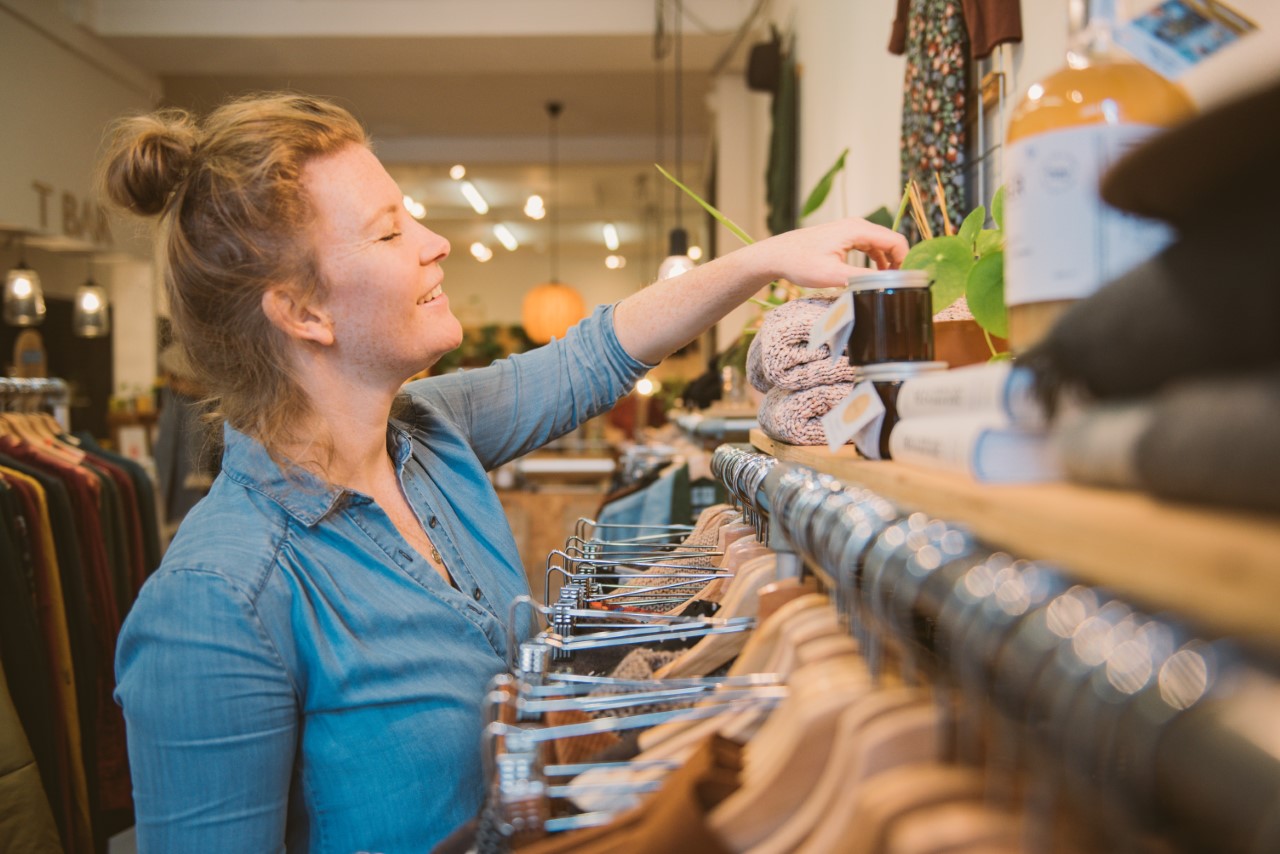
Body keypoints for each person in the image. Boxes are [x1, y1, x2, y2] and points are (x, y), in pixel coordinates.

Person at [102, 92, 907, 852]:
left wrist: (765, 261)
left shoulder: (428, 436)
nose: (433, 241)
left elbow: (591, 356)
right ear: (303, 312)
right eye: (388, 234)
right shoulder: (215, 602)